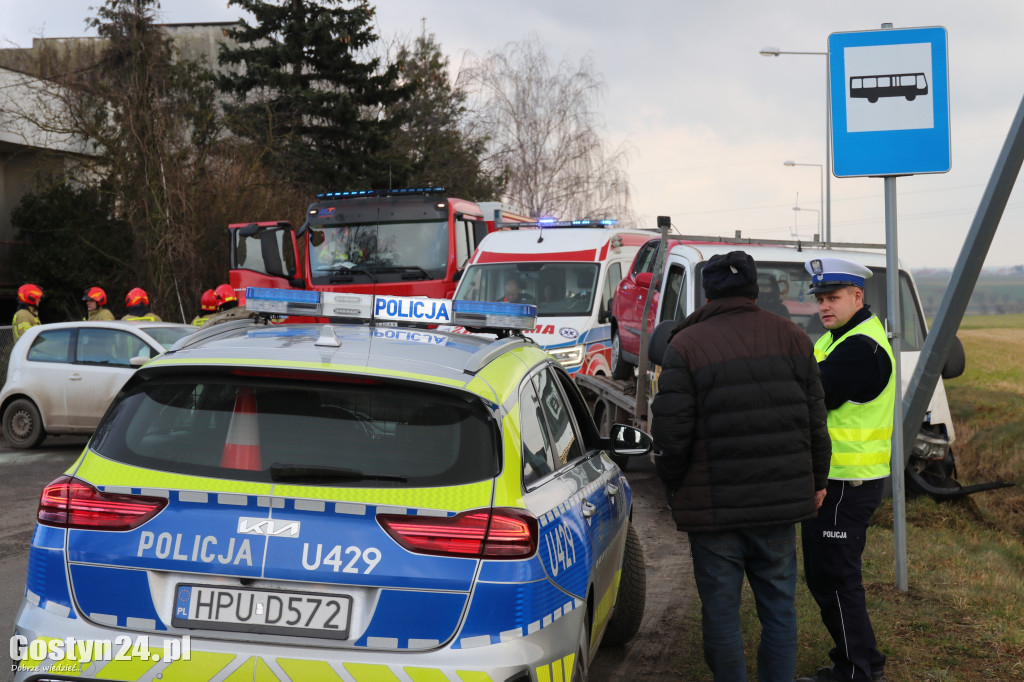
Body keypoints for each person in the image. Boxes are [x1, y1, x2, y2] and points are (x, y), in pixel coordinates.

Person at [650, 250, 830, 682]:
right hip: (780, 507)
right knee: (779, 610)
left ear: (709, 294)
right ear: (753, 290)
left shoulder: (685, 345)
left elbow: (671, 436)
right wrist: (817, 482)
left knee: (721, 612)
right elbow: (815, 422)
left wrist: (675, 490)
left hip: (714, 513)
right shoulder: (793, 338)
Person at [796, 257, 894, 682]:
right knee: (827, 575)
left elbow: (812, 395)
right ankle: (861, 661)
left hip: (846, 483)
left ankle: (856, 671)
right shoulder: (836, 340)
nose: (823, 306)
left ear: (858, 296)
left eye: (832, 298)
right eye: (819, 299)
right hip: (835, 480)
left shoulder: (860, 348)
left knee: (835, 578)